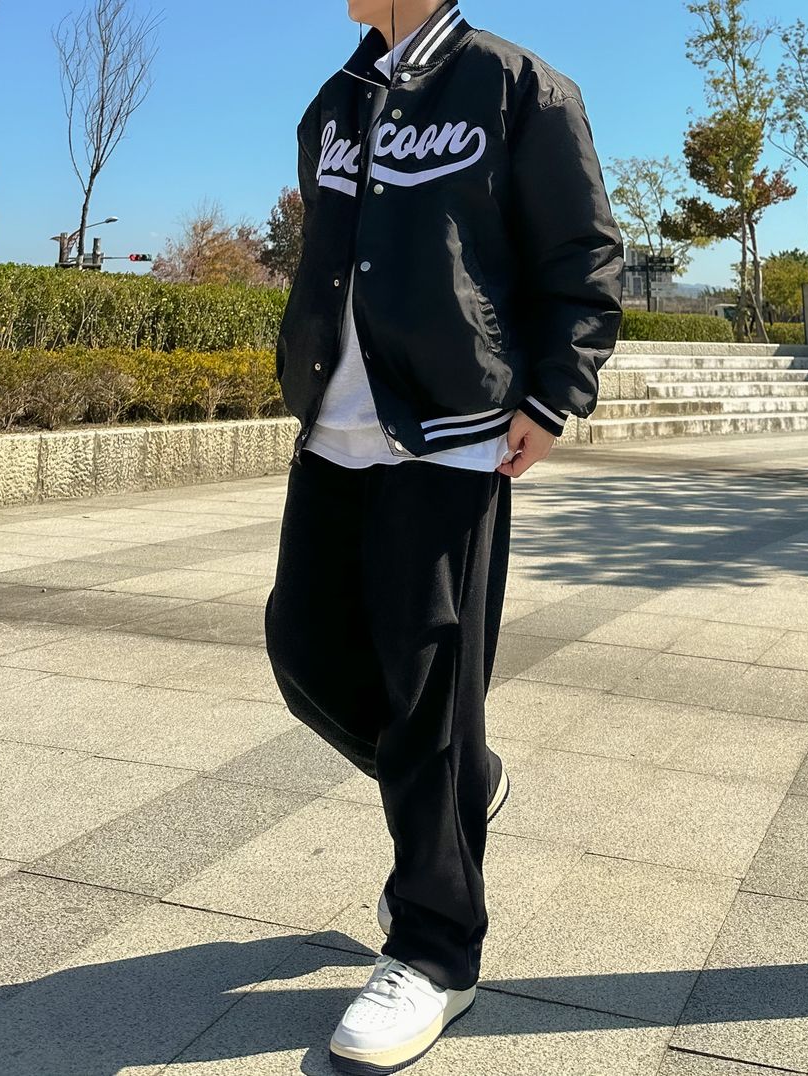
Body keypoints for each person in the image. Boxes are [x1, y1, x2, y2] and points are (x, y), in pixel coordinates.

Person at [264, 0, 624, 1071]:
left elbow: (582, 249)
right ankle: (467, 780)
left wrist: (555, 392)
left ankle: (434, 949)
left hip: (455, 435)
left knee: (426, 691)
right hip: (334, 429)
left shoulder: (517, 86)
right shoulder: (334, 101)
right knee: (304, 652)